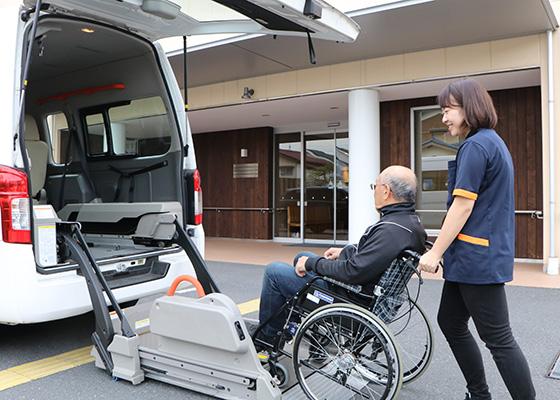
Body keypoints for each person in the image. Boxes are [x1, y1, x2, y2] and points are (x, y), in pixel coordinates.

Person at [418, 79, 535, 400]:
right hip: (474, 255)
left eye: (448, 110)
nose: (443, 118)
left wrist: (434, 252)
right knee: (451, 322)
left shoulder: (476, 146)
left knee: (499, 338)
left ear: (471, 108)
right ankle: (478, 394)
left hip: (476, 258)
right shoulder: (490, 142)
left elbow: (464, 203)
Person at [258, 165, 426, 342]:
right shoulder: (409, 224)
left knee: (274, 272)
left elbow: (353, 271)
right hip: (366, 294)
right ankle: (306, 332)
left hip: (351, 300)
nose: (373, 191)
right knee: (301, 255)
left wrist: (311, 264)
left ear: (385, 191)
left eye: (374, 186)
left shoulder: (390, 230)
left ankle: (267, 340)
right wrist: (344, 251)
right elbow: (375, 256)